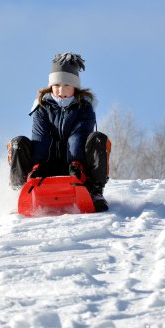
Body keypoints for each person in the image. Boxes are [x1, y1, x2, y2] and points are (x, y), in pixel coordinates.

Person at [7, 52, 111, 212]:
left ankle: (95, 192)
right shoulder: (41, 107)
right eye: (56, 85)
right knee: (18, 142)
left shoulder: (84, 107)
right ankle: (19, 192)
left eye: (66, 85)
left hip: (77, 167)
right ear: (50, 86)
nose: (61, 90)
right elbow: (40, 136)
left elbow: (79, 134)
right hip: (45, 164)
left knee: (97, 139)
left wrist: (75, 164)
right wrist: (38, 165)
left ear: (75, 87)